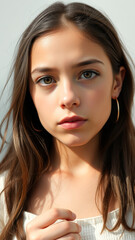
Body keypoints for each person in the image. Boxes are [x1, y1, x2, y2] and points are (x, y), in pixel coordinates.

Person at [0, 1, 135, 239]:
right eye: (46, 79)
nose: (68, 98)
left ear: (117, 83)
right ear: (30, 94)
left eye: (87, 74)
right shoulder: (5, 193)